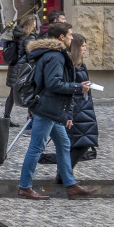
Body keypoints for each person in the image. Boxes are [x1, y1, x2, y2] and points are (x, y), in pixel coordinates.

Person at [17, 21, 96, 200]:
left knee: (64, 144)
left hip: (48, 108)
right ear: (61, 37)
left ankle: (70, 185)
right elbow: (53, 83)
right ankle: (24, 187)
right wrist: (78, 87)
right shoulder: (55, 56)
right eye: (70, 35)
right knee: (36, 147)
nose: (72, 37)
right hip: (47, 109)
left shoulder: (49, 53)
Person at [40, 33, 98, 185]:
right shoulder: (69, 65)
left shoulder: (78, 64)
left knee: (75, 142)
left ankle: (65, 174)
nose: (85, 49)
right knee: (81, 143)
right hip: (77, 108)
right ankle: (64, 174)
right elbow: (66, 87)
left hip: (82, 107)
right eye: (83, 46)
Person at [1, 15, 38, 125]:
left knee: (12, 94)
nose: (36, 23)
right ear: (31, 23)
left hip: (14, 67)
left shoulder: (17, 34)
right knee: (31, 93)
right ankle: (31, 120)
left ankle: (6, 118)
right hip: (24, 69)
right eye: (35, 21)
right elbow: (31, 55)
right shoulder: (30, 37)